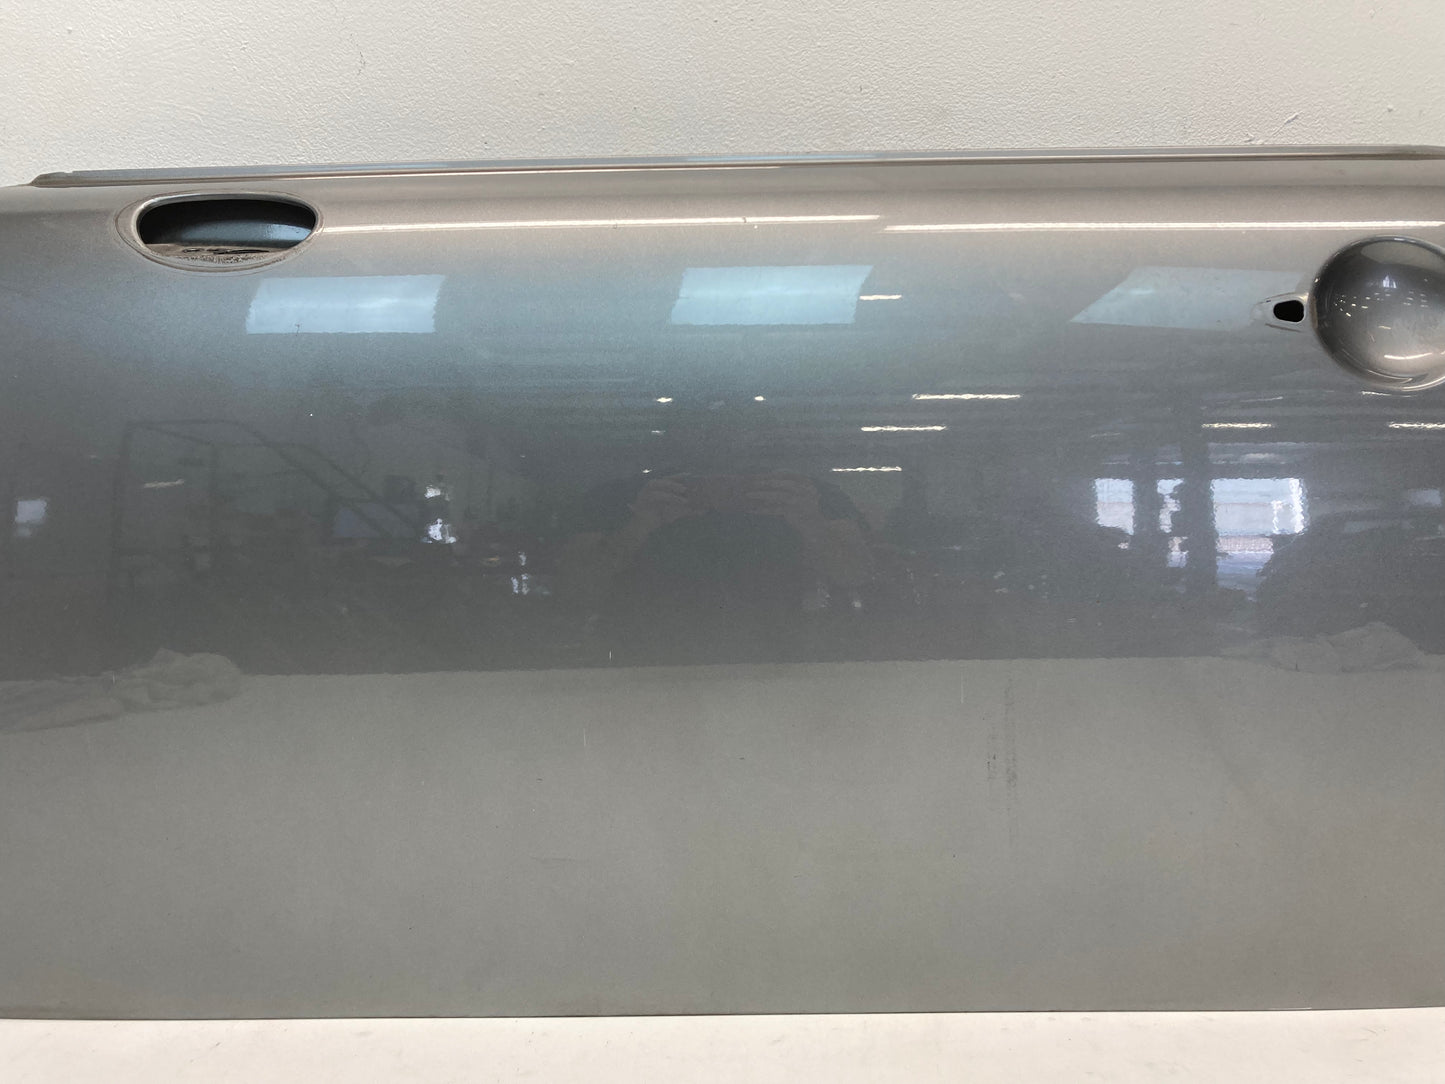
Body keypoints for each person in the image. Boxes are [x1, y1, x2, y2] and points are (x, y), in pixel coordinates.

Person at [558, 468, 873, 664]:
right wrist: (639, 526)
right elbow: (576, 591)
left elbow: (855, 575)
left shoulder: (802, 494)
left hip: (781, 660)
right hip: (640, 663)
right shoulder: (621, 497)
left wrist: (811, 523)